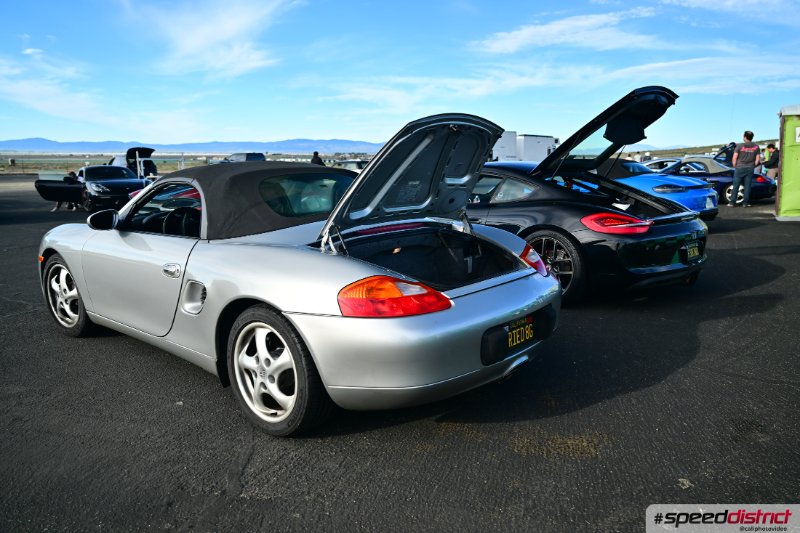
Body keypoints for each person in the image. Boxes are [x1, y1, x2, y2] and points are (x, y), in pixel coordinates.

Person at [728, 131, 761, 207]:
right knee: (747, 186)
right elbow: (757, 159)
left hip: (739, 167)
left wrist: (735, 166)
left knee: (736, 185)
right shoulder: (756, 147)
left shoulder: (740, 146)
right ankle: (745, 203)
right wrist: (753, 165)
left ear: (745, 137)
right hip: (750, 168)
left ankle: (732, 202)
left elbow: (734, 157)